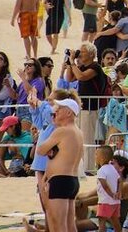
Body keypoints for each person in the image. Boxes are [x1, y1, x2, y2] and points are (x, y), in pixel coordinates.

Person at [35, 98, 84, 232]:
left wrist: (48, 147)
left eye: (59, 109)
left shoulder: (62, 131)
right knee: (69, 224)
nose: (55, 111)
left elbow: (40, 150)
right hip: (71, 180)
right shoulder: (78, 132)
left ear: (68, 113)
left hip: (60, 180)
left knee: (58, 225)